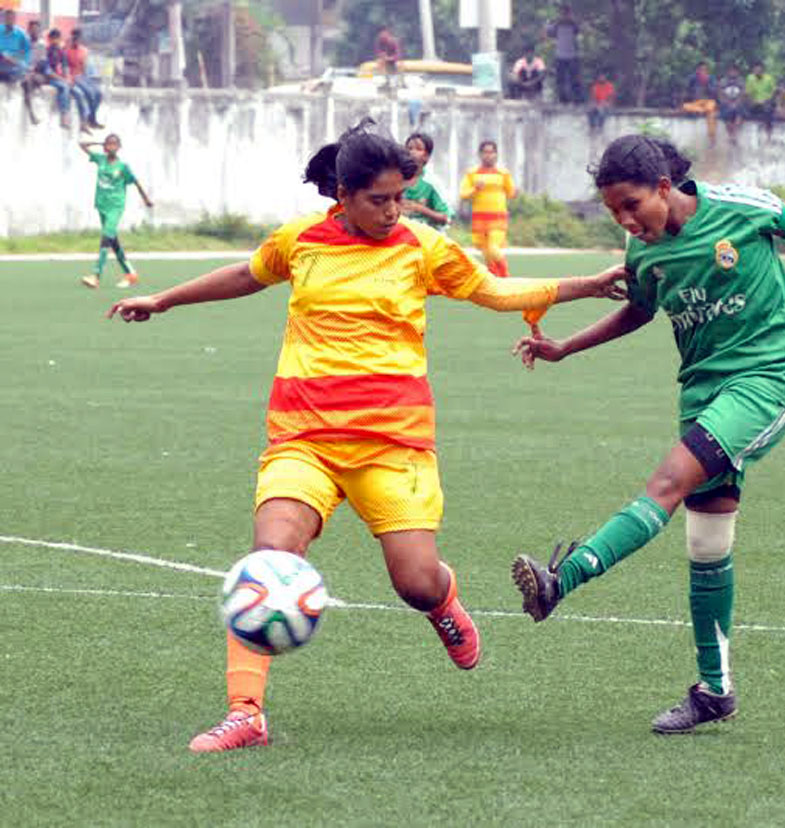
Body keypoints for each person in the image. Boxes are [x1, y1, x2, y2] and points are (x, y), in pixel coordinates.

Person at [105, 119, 627, 754]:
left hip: (393, 445)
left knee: (415, 581)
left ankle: (443, 601)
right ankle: (245, 713)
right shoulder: (301, 242)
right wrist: (164, 301)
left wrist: (588, 286)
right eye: (378, 200)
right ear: (343, 196)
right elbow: (245, 274)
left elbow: (493, 290)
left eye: (399, 198)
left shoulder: (421, 248)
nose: (392, 211)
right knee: (270, 557)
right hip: (304, 441)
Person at [509, 135, 785, 734]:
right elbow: (639, 308)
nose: (627, 221)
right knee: (706, 545)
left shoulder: (740, 207)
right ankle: (714, 691)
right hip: (702, 393)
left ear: (664, 187)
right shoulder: (644, 250)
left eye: (632, 205)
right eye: (614, 213)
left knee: (666, 482)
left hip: (765, 381)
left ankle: (561, 580)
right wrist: (565, 348)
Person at [78, 134, 153, 289]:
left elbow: (135, 182)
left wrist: (145, 198)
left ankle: (96, 276)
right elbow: (82, 144)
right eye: (109, 144)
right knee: (113, 241)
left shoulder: (122, 167)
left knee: (105, 238)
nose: (111, 147)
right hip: (101, 205)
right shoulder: (100, 159)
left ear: (119, 147)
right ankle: (131, 274)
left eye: (114, 144)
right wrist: (99, 143)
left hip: (115, 207)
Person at [459, 140, 517, 278]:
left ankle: (505, 275)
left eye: (491, 152)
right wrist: (475, 188)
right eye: (485, 152)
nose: (488, 155)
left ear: (496, 154)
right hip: (479, 218)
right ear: (480, 154)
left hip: (498, 218)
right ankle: (495, 281)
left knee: (493, 248)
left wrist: (513, 191)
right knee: (485, 252)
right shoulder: (472, 173)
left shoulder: (503, 174)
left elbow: (511, 193)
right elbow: (463, 194)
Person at [401, 131, 451, 229]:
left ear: (426, 156)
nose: (412, 152)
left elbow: (446, 218)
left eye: (418, 149)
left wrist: (420, 209)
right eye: (409, 148)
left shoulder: (432, 182)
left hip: (427, 238)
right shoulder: (396, 179)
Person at [41, 28, 88, 130]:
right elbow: (47, 71)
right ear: (49, 39)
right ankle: (64, 115)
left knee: (79, 93)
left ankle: (83, 121)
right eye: (53, 39)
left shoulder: (61, 52)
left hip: (61, 79)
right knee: (64, 87)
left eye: (57, 38)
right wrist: (63, 80)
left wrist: (68, 78)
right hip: (49, 79)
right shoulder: (46, 52)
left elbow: (65, 66)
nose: (55, 41)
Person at [66, 28, 103, 131]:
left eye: (78, 37)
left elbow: (87, 66)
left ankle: (92, 117)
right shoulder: (66, 50)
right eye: (74, 37)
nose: (76, 39)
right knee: (89, 93)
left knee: (99, 94)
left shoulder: (84, 50)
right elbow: (64, 66)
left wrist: (93, 77)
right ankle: (88, 120)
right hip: (73, 76)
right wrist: (69, 79)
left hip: (84, 77)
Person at [545, 4, 582, 104]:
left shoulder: (573, 23)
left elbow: (579, 29)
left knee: (574, 79)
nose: (565, 15)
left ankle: (577, 100)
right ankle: (563, 100)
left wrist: (570, 20)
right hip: (560, 55)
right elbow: (549, 33)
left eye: (566, 13)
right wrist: (551, 23)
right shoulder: (557, 24)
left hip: (572, 55)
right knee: (560, 80)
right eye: (563, 13)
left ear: (569, 13)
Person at [680, 61, 718, 146]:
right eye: (701, 69)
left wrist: (706, 83)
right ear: (697, 70)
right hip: (697, 103)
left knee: (711, 111)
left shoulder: (711, 78)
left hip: (708, 101)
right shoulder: (692, 78)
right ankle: (701, 111)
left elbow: (714, 92)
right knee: (685, 106)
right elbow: (687, 91)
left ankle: (712, 138)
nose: (703, 71)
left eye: (705, 69)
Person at [20, 18, 43, 125]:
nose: (35, 32)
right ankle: (31, 114)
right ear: (28, 30)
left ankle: (35, 110)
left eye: (36, 29)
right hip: (23, 72)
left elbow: (42, 62)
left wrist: (34, 70)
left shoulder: (41, 45)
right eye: (32, 29)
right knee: (27, 82)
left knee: (35, 80)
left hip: (36, 73)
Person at [744, 62, 776, 138]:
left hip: (766, 102)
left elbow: (774, 92)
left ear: (763, 70)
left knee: (767, 110)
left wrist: (767, 100)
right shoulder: (750, 78)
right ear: (753, 70)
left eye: (759, 70)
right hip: (755, 103)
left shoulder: (769, 78)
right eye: (755, 70)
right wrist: (752, 101)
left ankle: (768, 134)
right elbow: (747, 93)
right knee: (744, 109)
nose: (757, 72)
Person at [716, 65, 745, 146]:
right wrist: (728, 103)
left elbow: (742, 94)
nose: (733, 73)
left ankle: (734, 135)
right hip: (726, 104)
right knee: (726, 115)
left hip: (738, 103)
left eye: (735, 71)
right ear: (728, 72)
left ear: (738, 72)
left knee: (739, 114)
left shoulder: (741, 81)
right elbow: (720, 94)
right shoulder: (723, 81)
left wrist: (736, 103)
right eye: (731, 71)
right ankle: (731, 136)